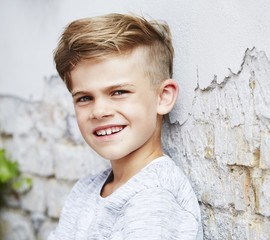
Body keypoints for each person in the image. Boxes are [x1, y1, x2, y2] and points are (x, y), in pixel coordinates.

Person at [48, 13, 203, 239]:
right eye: (84, 98)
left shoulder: (154, 201)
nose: (99, 111)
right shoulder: (85, 190)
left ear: (163, 97)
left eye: (119, 92)